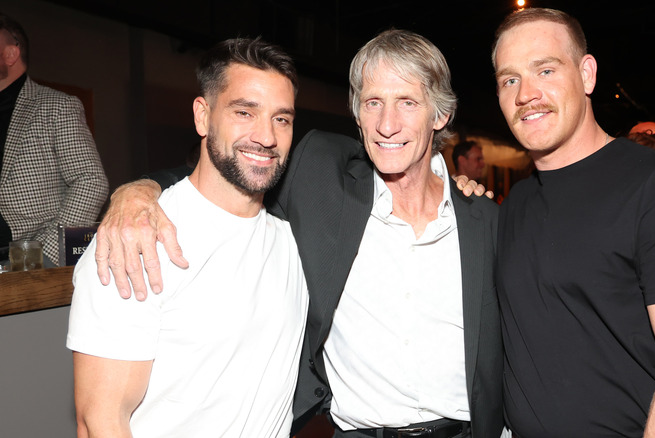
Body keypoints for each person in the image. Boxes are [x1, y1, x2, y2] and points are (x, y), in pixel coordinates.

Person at [93, 30, 502, 438]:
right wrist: (138, 191)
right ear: (357, 114)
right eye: (373, 103)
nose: (388, 124)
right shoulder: (322, 180)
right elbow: (232, 169)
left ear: (440, 115)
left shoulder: (484, 221)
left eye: (408, 103)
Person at [492, 8, 655, 437]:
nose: (526, 93)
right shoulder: (514, 204)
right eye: (509, 79)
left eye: (545, 69)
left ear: (586, 74)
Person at [67, 37, 308, 437]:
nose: (266, 136)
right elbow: (101, 421)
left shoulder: (290, 236)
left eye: (281, 119)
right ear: (202, 116)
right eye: (244, 112)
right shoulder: (135, 241)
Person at [0, 12, 108, 263]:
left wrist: (44, 255)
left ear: (10, 54)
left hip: (25, 262)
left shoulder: (56, 106)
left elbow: (90, 181)